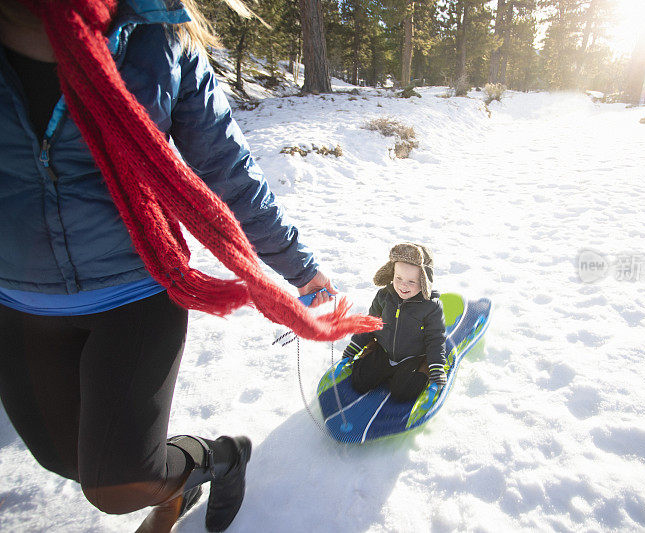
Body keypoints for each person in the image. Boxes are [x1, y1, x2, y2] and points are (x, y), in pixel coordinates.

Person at [0, 0, 379, 531]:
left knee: (115, 481)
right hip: (17, 298)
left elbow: (228, 171)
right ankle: (188, 474)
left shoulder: (156, 33)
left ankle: (222, 458)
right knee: (66, 461)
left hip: (136, 291)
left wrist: (300, 270)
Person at [343, 243, 448, 403]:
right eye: (398, 278)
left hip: (413, 357)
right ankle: (372, 354)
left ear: (425, 281)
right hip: (384, 351)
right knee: (359, 381)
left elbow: (435, 339)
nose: (403, 285)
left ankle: (424, 368)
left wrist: (436, 367)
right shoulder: (384, 296)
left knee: (404, 392)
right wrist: (353, 348)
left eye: (412, 281)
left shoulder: (430, 307)